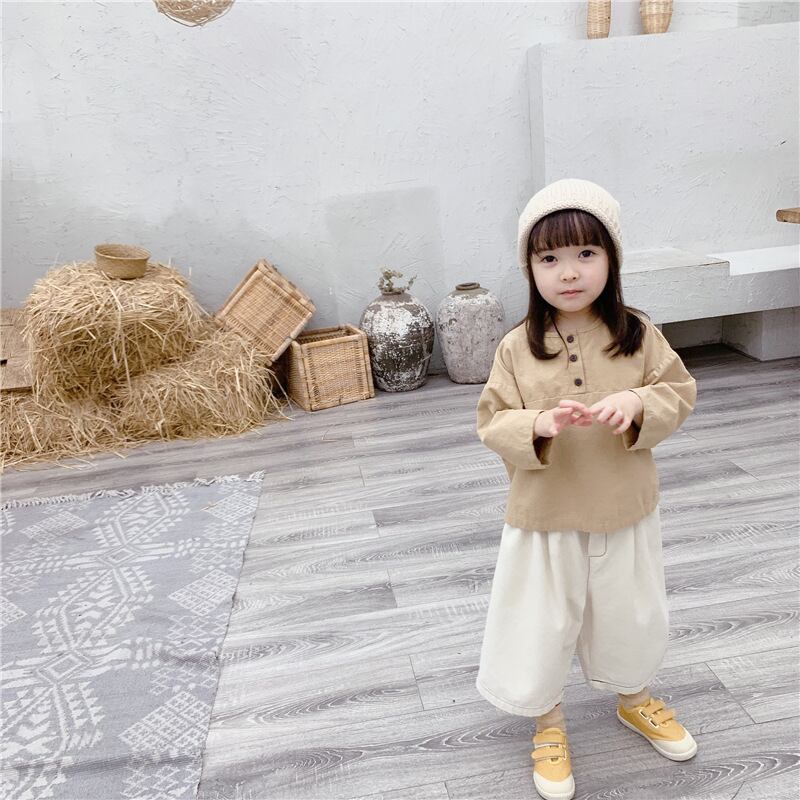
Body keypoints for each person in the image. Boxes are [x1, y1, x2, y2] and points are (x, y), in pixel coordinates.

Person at [475, 178, 698, 800]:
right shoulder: (516, 347)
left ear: (612, 259)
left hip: (625, 506)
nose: (568, 272)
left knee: (631, 609)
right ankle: (547, 721)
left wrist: (639, 402)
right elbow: (491, 421)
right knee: (539, 621)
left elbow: (679, 391)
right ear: (529, 268)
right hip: (544, 513)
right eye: (549, 257)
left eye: (586, 253)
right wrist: (538, 424)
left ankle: (634, 696)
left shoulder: (639, 333)